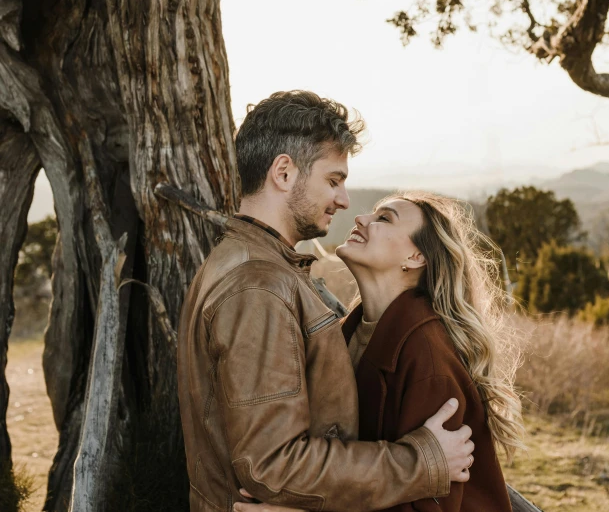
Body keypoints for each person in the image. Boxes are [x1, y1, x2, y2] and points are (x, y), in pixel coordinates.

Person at [177, 91, 475, 512]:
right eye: (333, 180)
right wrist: (420, 462)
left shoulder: (249, 265)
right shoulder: (257, 286)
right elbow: (273, 466)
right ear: (284, 172)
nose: (345, 201)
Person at [236, 192, 525, 512]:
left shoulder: (428, 360)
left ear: (416, 257)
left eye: (384, 218)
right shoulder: (347, 334)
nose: (361, 219)